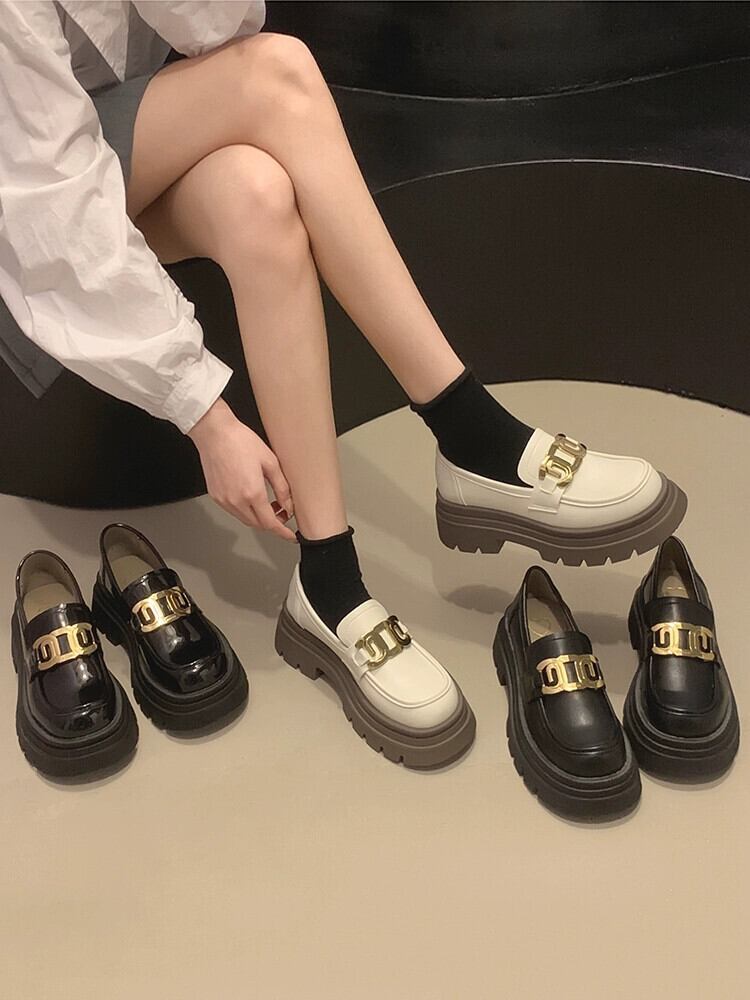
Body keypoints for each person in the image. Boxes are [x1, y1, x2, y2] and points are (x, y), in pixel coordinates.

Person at [0, 2, 686, 765]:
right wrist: (205, 416)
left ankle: (328, 584)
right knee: (279, 72)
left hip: (91, 151)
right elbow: (47, 210)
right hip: (26, 206)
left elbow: (218, 27)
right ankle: (471, 434)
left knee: (256, 194)